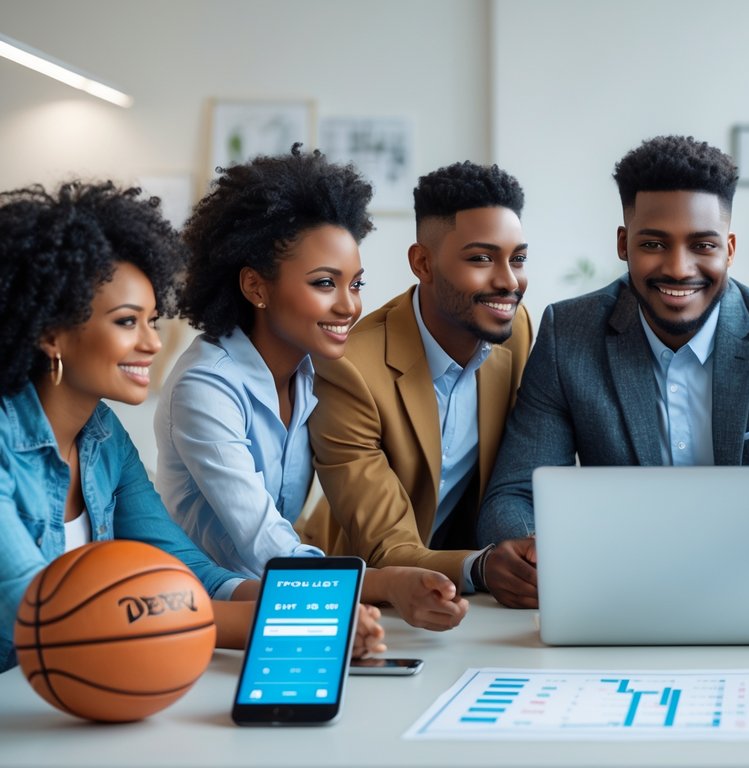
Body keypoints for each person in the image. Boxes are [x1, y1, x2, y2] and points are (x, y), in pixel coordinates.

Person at [477, 135, 749, 607]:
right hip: (618, 598)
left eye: (702, 245)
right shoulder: (569, 335)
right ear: (623, 244)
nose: (678, 269)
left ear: (729, 249)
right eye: (654, 244)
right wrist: (535, 557)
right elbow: (512, 497)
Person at [0, 181, 384, 671]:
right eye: (126, 322)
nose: (153, 344)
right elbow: (38, 609)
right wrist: (289, 621)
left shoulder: (104, 438)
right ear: (51, 334)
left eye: (153, 321)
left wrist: (318, 609)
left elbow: (185, 569)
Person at [156, 146, 466, 631]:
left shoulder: (312, 372)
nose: (349, 307)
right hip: (201, 616)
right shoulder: (205, 388)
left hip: (284, 598)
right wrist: (385, 583)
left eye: (355, 284)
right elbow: (268, 546)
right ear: (256, 287)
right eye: (324, 283)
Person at [304, 161, 535, 609]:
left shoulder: (515, 329)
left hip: (471, 601)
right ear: (423, 263)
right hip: (368, 601)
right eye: (481, 258)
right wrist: (482, 566)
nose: (508, 281)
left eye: (518, 259)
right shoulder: (349, 368)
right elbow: (386, 547)